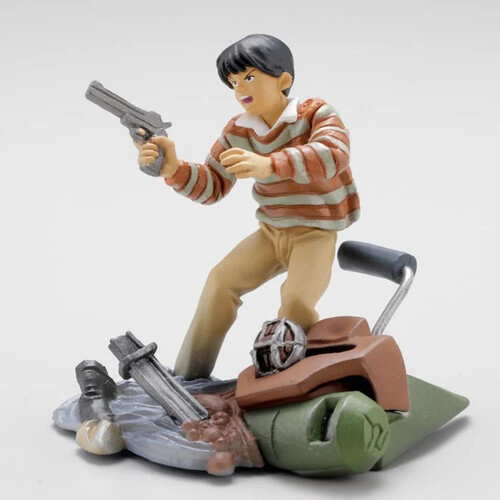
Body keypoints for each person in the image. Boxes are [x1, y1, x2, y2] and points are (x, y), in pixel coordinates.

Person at [136, 34, 359, 379]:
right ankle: (188, 377)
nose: (240, 88)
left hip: (315, 233)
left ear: (283, 80)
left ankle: (288, 381)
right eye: (234, 82)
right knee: (220, 282)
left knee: (296, 301)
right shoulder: (238, 131)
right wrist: (173, 169)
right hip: (270, 232)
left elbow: (334, 155)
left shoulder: (316, 114)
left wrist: (270, 165)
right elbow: (212, 185)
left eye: (250, 77)